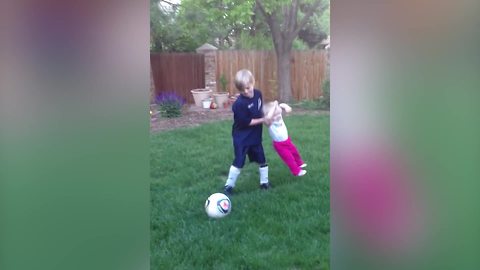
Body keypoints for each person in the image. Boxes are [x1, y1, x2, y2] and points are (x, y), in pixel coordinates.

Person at [223, 69, 272, 195]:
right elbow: (247, 122)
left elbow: (260, 110)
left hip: (255, 135)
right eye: (242, 90)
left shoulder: (258, 94)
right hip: (241, 137)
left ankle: (264, 183)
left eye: (248, 87)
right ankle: (228, 186)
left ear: (253, 82)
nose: (245, 91)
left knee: (261, 158)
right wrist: (263, 119)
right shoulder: (239, 104)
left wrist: (270, 114)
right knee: (239, 160)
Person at [263, 100, 307, 176]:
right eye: (275, 115)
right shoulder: (269, 123)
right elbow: (268, 117)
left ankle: (299, 163)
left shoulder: (279, 116)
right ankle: (296, 172)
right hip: (280, 145)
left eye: (278, 113)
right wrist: (274, 106)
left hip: (287, 140)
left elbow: (284, 106)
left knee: (295, 152)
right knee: (289, 158)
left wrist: (283, 106)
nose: (278, 116)